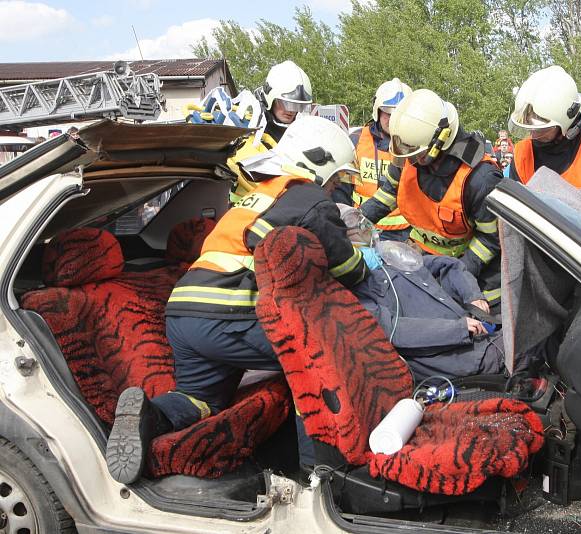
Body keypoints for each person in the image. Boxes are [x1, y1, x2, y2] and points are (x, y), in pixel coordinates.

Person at [104, 116, 369, 484]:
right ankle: (320, 474)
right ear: (320, 165)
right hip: (227, 310)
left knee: (200, 400)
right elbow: (349, 269)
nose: (336, 186)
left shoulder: (260, 194)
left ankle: (148, 415)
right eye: (337, 177)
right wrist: (369, 260)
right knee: (313, 361)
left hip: (183, 313)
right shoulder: (309, 198)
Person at [359, 89, 503, 307]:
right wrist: (355, 221)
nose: (411, 161)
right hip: (425, 263)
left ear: (441, 141)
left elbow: (490, 240)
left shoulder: (479, 178)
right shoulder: (411, 154)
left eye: (418, 155)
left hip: (475, 281)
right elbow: (388, 195)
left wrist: (456, 275)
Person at [338, 205, 504, 381]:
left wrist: (473, 296)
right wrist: (459, 329)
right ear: (343, 243)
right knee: (529, 346)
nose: (365, 227)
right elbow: (394, 330)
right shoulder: (353, 293)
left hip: (477, 337)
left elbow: (447, 265)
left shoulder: (388, 258)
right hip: (457, 360)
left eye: (362, 220)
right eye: (356, 225)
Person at [508, 65, 581, 205]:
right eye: (529, 127)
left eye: (542, 129)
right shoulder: (522, 154)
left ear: (567, 121)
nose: (533, 134)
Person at [334, 78, 412, 241]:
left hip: (404, 232)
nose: (392, 119)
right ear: (377, 111)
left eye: (398, 114)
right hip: (361, 226)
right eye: (387, 113)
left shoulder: (415, 146)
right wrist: (347, 225)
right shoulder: (357, 140)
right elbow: (341, 189)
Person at [228, 60, 314, 203]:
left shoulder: (300, 134)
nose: (292, 110)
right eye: (287, 103)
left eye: (298, 106)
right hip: (247, 214)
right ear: (270, 98)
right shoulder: (249, 131)